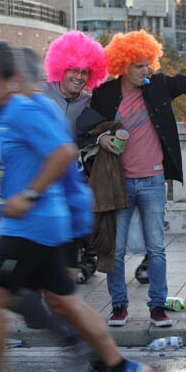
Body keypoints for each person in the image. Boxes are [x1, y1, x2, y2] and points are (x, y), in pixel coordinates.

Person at [0, 41, 152, 372]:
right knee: (62, 301)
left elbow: (63, 154)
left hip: (32, 225)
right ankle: (123, 369)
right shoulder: (10, 113)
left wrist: (27, 194)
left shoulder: (25, 109)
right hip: (43, 224)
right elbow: (24, 162)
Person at [87, 30, 186, 328]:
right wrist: (103, 138)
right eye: (139, 66)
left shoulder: (157, 85)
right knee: (115, 250)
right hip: (118, 183)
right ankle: (119, 306)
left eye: (148, 64)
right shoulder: (105, 94)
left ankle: (158, 306)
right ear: (123, 65)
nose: (146, 71)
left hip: (153, 181)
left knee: (156, 248)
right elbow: (86, 129)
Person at [42, 31, 108, 284]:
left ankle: (85, 259)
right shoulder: (41, 93)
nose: (79, 77)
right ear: (61, 67)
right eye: (73, 70)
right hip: (44, 171)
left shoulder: (90, 102)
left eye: (85, 73)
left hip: (76, 173)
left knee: (82, 217)